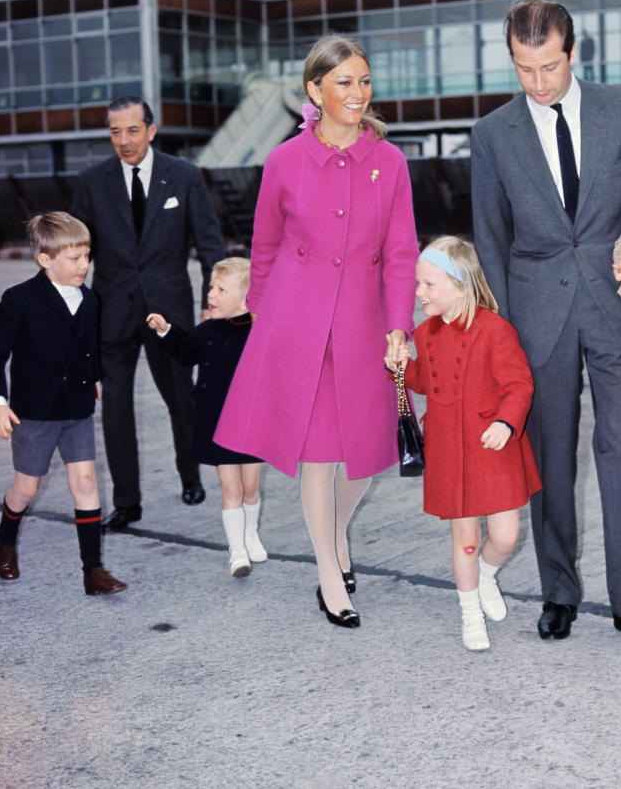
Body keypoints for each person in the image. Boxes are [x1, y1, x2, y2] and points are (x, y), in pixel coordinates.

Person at [471, 0, 621, 646]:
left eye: (551, 67)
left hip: (619, 313)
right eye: (524, 69)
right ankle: (558, 590)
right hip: (536, 318)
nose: (539, 83)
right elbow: (490, 240)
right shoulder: (491, 134)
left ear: (573, 51)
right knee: (550, 460)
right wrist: (499, 337)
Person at [215, 35, 418, 629]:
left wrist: (400, 325)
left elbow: (403, 252)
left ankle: (336, 538)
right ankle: (330, 573)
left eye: (363, 80)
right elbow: (265, 246)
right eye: (344, 83)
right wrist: (263, 321)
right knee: (320, 455)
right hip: (297, 323)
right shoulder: (283, 160)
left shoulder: (391, 161)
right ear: (314, 91)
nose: (358, 93)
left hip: (366, 323)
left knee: (367, 454)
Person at [70, 96, 226, 530]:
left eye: (132, 130)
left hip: (169, 312)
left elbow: (211, 248)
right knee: (115, 407)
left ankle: (190, 474)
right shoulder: (91, 182)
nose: (124, 141)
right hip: (112, 314)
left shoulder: (185, 177)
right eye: (115, 132)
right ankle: (127, 501)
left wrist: (213, 307)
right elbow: (75, 254)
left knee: (182, 398)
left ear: (151, 131)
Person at [385, 237, 541, 651]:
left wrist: (508, 422)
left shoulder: (495, 329)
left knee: (505, 536)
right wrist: (403, 369)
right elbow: (428, 385)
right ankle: (470, 612)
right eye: (418, 284)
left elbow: (518, 384)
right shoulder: (425, 332)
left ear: (461, 284)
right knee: (465, 540)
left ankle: (486, 575)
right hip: (449, 449)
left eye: (428, 285)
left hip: (493, 447)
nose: (419, 294)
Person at [0, 212, 126, 596]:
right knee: (26, 489)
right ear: (46, 259)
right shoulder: (19, 300)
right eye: (74, 258)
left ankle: (93, 571)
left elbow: (87, 346)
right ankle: (6, 536)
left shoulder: (90, 298)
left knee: (86, 482)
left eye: (86, 255)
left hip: (76, 408)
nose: (84, 265)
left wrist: (93, 376)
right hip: (34, 411)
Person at [146, 258, 265, 578]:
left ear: (245, 298)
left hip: (252, 422)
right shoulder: (207, 331)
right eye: (212, 287)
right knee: (231, 489)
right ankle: (237, 552)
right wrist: (166, 331)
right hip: (217, 421)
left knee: (251, 486)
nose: (211, 294)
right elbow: (187, 353)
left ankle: (251, 534)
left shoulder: (259, 332)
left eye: (220, 289)